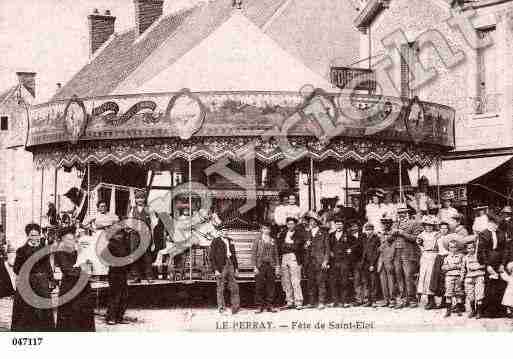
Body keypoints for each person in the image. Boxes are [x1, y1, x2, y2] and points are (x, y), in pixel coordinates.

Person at [11, 223, 55, 331]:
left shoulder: (44, 249)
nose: (35, 238)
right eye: (32, 235)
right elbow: (16, 268)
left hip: (42, 284)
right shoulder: (21, 250)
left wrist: (51, 279)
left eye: (37, 235)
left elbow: (48, 266)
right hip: (27, 283)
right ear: (28, 236)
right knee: (26, 312)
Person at [55, 227, 95, 331]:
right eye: (68, 239)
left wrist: (87, 266)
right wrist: (83, 270)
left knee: (84, 314)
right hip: (69, 287)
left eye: (72, 239)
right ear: (62, 240)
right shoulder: (60, 252)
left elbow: (90, 265)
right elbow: (67, 270)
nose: (71, 241)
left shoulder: (79, 250)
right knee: (70, 316)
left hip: (84, 287)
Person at [392, 205, 423, 308]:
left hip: (408, 254)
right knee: (399, 276)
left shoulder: (414, 224)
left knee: (408, 276)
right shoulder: (395, 224)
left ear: (408, 214)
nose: (401, 215)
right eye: (400, 213)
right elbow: (390, 239)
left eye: (404, 213)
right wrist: (392, 234)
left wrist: (403, 233)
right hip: (396, 253)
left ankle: (412, 299)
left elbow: (416, 238)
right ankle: (402, 299)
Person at [477, 214, 507, 318]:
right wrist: (487, 265)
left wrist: (503, 264)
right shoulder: (483, 234)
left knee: (500, 285)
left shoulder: (501, 234)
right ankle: (488, 312)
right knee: (489, 286)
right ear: (489, 223)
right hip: (489, 261)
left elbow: (505, 250)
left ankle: (500, 310)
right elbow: (482, 251)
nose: (495, 226)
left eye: (497, 224)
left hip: (499, 262)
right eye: (494, 224)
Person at [103, 228, 131, 325]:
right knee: (115, 296)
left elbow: (128, 256)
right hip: (114, 272)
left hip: (122, 272)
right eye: (120, 234)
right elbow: (104, 256)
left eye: (122, 234)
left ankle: (119, 317)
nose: (121, 236)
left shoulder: (125, 244)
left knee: (124, 295)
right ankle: (111, 317)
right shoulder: (111, 244)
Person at [327, 217, 358, 308]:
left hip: (344, 260)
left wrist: (351, 249)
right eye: (337, 224)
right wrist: (330, 253)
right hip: (334, 261)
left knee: (344, 281)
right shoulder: (331, 235)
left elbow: (356, 243)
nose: (338, 225)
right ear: (335, 225)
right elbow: (328, 246)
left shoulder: (348, 234)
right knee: (333, 281)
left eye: (340, 224)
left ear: (343, 225)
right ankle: (335, 300)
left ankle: (344, 301)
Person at [276, 217, 306, 310]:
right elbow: (280, 246)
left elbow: (296, 247)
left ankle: (298, 301)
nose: (290, 226)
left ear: (295, 225)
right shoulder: (283, 233)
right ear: (286, 224)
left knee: (295, 281)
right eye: (289, 224)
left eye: (292, 224)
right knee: (286, 281)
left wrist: (287, 246)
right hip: (285, 258)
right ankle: (289, 301)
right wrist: (289, 245)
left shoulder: (299, 234)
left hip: (294, 258)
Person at [127, 190, 154, 284]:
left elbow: (153, 223)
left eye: (142, 198)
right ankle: (136, 276)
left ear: (145, 199)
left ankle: (149, 276)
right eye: (138, 198)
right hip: (134, 235)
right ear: (135, 199)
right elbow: (129, 221)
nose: (140, 200)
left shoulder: (148, 209)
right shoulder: (132, 209)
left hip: (145, 235)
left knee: (147, 255)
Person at [303, 212, 330, 310]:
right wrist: (306, 245)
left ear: (317, 222)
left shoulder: (323, 233)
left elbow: (327, 249)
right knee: (310, 282)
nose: (311, 223)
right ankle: (312, 302)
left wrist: (325, 260)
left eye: (313, 221)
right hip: (310, 262)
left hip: (320, 261)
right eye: (310, 221)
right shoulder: (307, 233)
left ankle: (321, 302)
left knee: (320, 282)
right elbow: (304, 248)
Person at [209, 232, 240, 315]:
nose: (225, 232)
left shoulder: (230, 240)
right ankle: (221, 308)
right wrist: (215, 269)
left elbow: (234, 255)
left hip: (231, 264)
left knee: (234, 287)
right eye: (223, 230)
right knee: (220, 287)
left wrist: (236, 268)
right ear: (219, 232)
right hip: (221, 266)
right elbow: (211, 257)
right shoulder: (215, 241)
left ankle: (235, 308)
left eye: (226, 230)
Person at [252, 222, 279, 313]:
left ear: (270, 230)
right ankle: (259, 306)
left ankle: (270, 305)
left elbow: (276, 254)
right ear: (261, 229)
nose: (266, 230)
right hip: (260, 265)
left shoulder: (272, 240)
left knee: (270, 285)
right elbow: (253, 254)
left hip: (270, 265)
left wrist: (277, 266)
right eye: (264, 229)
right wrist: (255, 267)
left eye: (268, 229)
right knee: (259, 285)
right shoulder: (257, 240)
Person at [416, 216, 442, 310]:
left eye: (431, 225)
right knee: (424, 276)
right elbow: (419, 245)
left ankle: (433, 299)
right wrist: (423, 250)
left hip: (434, 255)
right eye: (427, 225)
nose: (429, 227)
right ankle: (427, 299)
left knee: (432, 277)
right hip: (425, 256)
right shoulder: (421, 235)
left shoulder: (437, 234)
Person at [461, 240, 486, 319]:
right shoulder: (465, 258)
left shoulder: (479, 256)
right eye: (469, 248)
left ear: (475, 248)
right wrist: (462, 277)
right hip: (469, 277)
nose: (471, 249)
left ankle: (479, 312)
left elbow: (485, 265)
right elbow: (463, 268)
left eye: (472, 248)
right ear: (466, 249)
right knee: (470, 295)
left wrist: (477, 267)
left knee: (479, 294)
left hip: (479, 276)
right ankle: (473, 310)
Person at [441, 240, 465, 317]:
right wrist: (451, 267)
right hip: (449, 276)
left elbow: (463, 266)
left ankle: (459, 310)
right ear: (448, 248)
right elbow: (443, 267)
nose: (453, 249)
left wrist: (462, 276)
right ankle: (448, 311)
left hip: (458, 276)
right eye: (451, 247)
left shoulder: (461, 256)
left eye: (455, 247)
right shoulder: (447, 257)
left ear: (457, 248)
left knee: (458, 293)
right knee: (448, 293)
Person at [359, 223, 381, 307]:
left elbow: (376, 252)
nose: (369, 232)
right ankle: (368, 300)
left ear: (373, 230)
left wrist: (372, 264)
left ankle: (374, 300)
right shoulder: (364, 238)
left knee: (373, 282)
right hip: (365, 263)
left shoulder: (376, 239)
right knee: (366, 282)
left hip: (373, 263)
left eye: (370, 230)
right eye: (367, 230)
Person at [377, 217, 396, 307]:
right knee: (383, 280)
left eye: (387, 224)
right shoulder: (380, 234)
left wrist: (391, 259)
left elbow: (393, 247)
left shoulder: (393, 234)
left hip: (389, 259)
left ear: (390, 224)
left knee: (391, 280)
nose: (385, 225)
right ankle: (386, 299)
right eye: (383, 224)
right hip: (381, 260)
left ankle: (392, 300)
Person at [348, 221, 364, 305]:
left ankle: (366, 299)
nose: (354, 228)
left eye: (355, 226)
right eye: (352, 226)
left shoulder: (363, 235)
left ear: (358, 227)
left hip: (363, 261)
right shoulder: (348, 237)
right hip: (354, 262)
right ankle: (358, 299)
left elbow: (362, 246)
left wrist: (352, 249)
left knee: (364, 280)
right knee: (357, 280)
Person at [0, 233, 14, 299]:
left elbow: (3, 250)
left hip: (1, 260)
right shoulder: (2, 236)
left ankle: (4, 292)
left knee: (3, 275)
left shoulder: (2, 236)